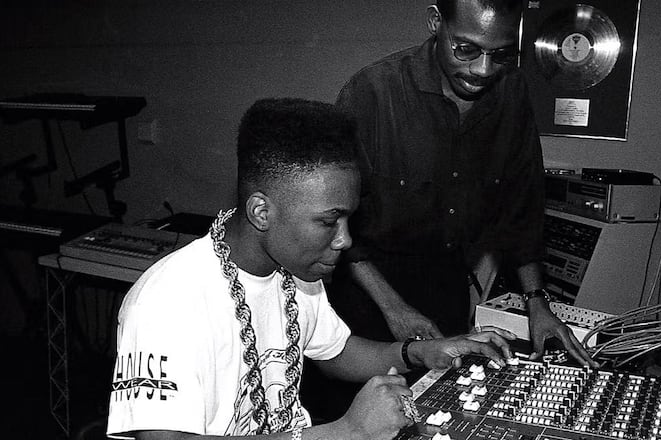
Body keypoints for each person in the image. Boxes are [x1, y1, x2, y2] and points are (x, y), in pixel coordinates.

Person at [106, 97, 516, 440]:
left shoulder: (297, 270)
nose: (345, 240)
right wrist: (345, 432)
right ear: (261, 211)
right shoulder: (165, 302)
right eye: (328, 221)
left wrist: (423, 352)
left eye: (349, 220)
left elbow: (337, 351)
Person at [327, 0, 596, 365]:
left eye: (499, 54)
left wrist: (537, 301)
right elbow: (337, 224)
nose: (483, 69)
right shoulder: (373, 92)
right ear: (436, 21)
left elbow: (523, 207)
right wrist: (394, 308)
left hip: (447, 284)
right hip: (369, 290)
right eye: (466, 49)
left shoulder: (512, 92)